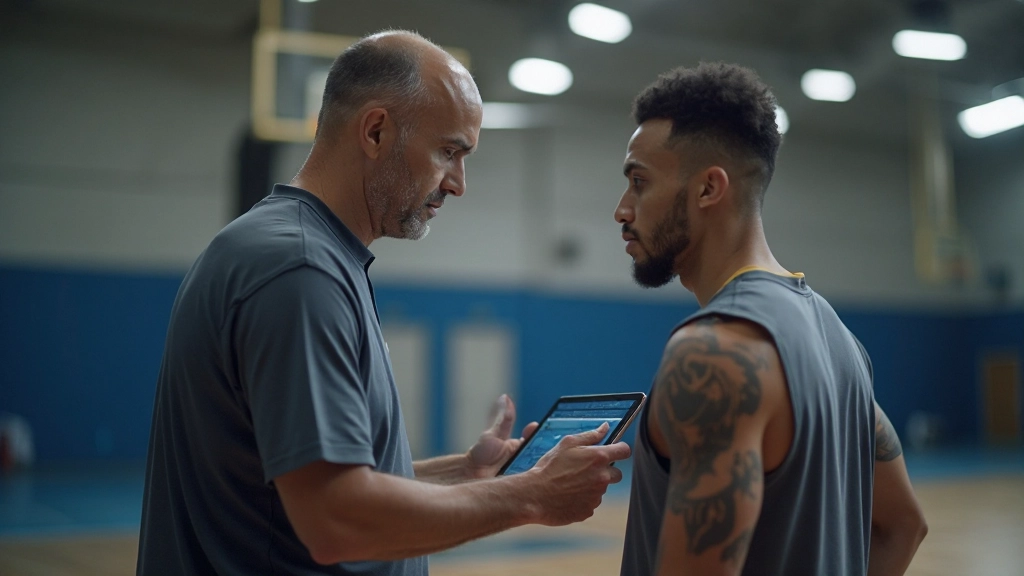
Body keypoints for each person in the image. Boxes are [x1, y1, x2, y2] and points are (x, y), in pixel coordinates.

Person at [137, 30, 631, 576]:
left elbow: (316, 485)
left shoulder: (297, 254)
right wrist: (530, 497)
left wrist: (467, 475)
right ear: (375, 131)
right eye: (450, 151)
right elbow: (336, 519)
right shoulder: (299, 272)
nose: (459, 184)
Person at [614, 63, 928, 576]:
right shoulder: (840, 339)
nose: (622, 209)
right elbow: (903, 526)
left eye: (639, 182)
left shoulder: (716, 352)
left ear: (709, 189)